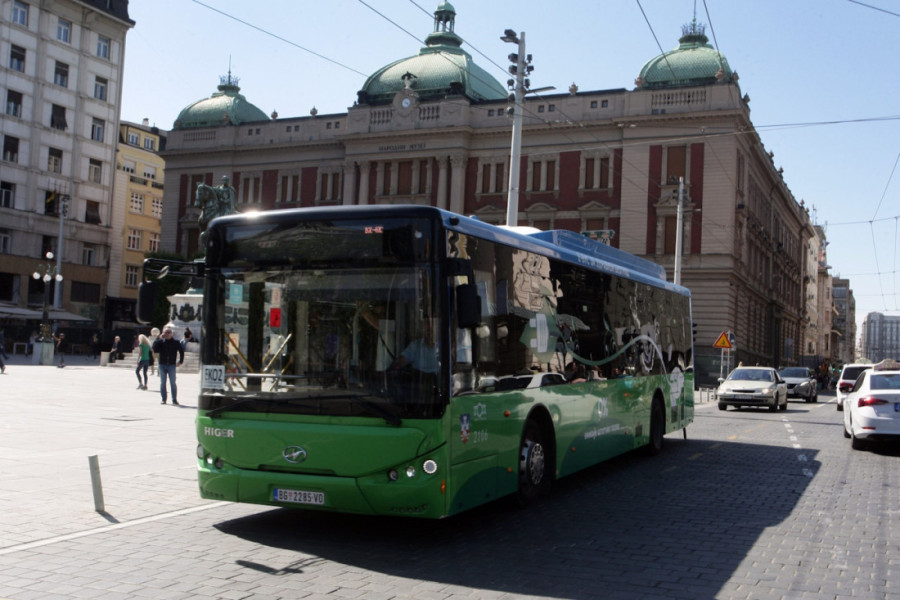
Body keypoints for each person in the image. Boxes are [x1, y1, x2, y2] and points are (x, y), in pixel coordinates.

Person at [152, 326, 184, 405]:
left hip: (171, 365)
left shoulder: (176, 342)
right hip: (162, 364)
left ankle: (174, 399)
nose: (167, 334)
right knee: (163, 382)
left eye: (168, 332)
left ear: (171, 334)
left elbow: (181, 351)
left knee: (172, 382)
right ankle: (164, 399)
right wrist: (159, 339)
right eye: (165, 332)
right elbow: (154, 348)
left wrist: (180, 361)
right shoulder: (161, 342)